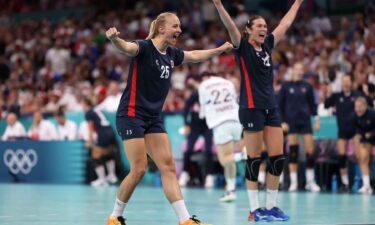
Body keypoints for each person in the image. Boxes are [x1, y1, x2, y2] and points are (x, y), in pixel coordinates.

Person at [106, 12, 233, 225]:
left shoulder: (171, 54)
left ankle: (185, 220)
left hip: (153, 118)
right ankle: (114, 217)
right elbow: (126, 48)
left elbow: (194, 55)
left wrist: (219, 50)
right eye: (175, 26)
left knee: (169, 167)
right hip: (131, 115)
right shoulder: (144, 47)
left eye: (180, 26)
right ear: (162, 28)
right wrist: (114, 39)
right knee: (139, 169)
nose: (179, 30)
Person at [213, 0, 304, 221]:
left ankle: (271, 207)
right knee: (253, 159)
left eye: (265, 26)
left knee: (278, 158)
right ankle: (254, 210)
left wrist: (298, 3)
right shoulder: (242, 47)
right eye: (259, 26)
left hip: (270, 108)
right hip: (251, 108)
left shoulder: (268, 45)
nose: (264, 29)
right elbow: (230, 26)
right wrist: (218, 4)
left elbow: (285, 23)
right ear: (249, 31)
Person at [198, 72, 244, 202]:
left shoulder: (203, 85)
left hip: (220, 124)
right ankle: (231, 190)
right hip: (236, 122)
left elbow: (202, 112)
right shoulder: (228, 83)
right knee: (230, 160)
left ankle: (244, 155)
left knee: (224, 159)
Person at [279, 62, 321, 192]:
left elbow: (313, 105)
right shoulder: (286, 86)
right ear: (292, 71)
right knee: (293, 152)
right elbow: (280, 106)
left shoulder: (307, 86)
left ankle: (310, 181)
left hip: (305, 122)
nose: (299, 71)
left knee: (310, 151)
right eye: (297, 69)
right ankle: (294, 183)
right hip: (291, 123)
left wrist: (316, 119)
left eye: (301, 69)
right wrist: (282, 121)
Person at [324, 75, 370, 192]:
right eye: (343, 81)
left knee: (360, 156)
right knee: (341, 156)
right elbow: (326, 105)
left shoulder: (357, 94)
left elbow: (368, 103)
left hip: (356, 130)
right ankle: (345, 184)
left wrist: (365, 93)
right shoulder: (337, 96)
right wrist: (328, 93)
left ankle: (364, 183)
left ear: (351, 82)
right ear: (341, 83)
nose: (346, 83)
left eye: (348, 81)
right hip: (343, 130)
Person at [179, 77, 214, 189]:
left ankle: (209, 176)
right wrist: (186, 124)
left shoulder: (212, 95)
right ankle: (185, 173)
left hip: (207, 125)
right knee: (188, 148)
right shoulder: (195, 95)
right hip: (195, 126)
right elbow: (185, 109)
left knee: (209, 149)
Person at [82, 98, 118, 187]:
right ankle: (111, 175)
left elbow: (90, 128)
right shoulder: (96, 110)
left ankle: (102, 179)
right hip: (111, 131)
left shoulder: (88, 112)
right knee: (108, 154)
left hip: (104, 134)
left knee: (95, 156)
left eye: (82, 104)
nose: (82, 107)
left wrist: (89, 141)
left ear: (86, 104)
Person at [354, 97, 374, 195]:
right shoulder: (355, 116)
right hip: (365, 139)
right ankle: (367, 185)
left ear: (365, 106)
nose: (358, 109)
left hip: (373, 135)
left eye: (360, 107)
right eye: (356, 107)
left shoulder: (372, 114)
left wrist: (371, 133)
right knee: (363, 159)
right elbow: (357, 133)